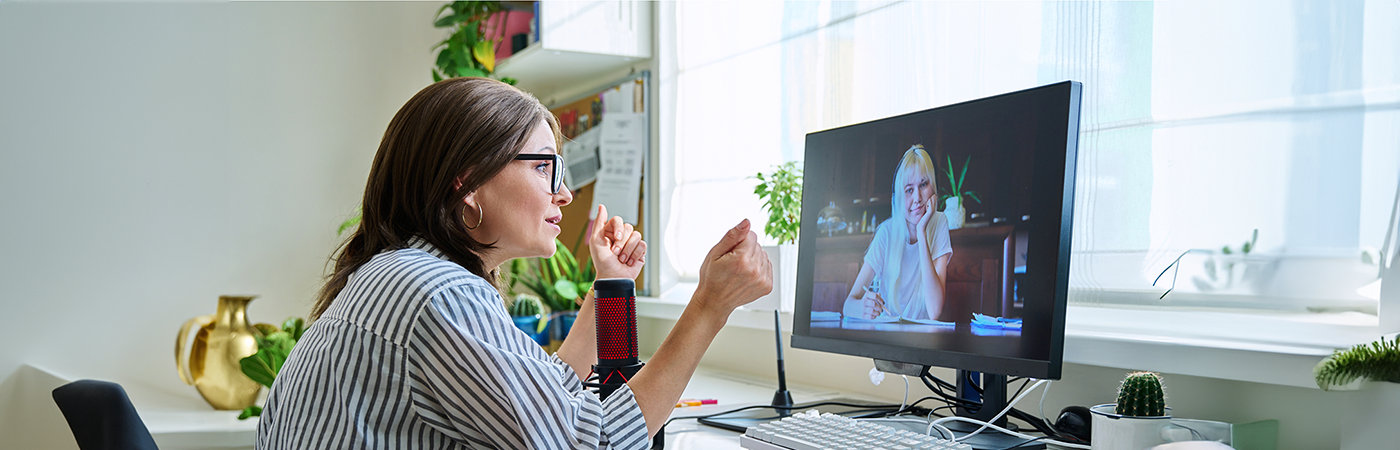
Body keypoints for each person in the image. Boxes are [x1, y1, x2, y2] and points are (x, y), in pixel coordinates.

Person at [256, 77, 772, 449]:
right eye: (545, 166)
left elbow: (544, 402)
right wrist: (709, 306)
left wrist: (610, 288)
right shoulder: (437, 293)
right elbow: (595, 443)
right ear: (468, 179)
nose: (565, 193)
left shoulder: (396, 272)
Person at [841, 144, 953, 322]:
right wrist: (862, 308)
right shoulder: (886, 232)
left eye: (923, 185)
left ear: (933, 188)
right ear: (900, 196)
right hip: (889, 335)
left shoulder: (939, 222)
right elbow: (848, 305)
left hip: (923, 340)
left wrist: (921, 232)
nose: (917, 198)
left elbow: (934, 311)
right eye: (909, 190)